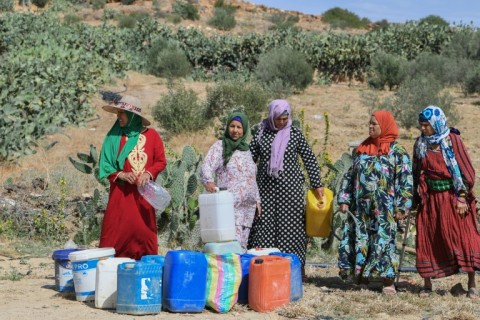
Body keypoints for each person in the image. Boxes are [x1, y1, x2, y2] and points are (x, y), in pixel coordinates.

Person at [337, 110, 413, 295]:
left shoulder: (397, 152)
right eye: (369, 123)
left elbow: (406, 179)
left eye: (374, 124)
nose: (370, 126)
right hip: (360, 207)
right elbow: (349, 175)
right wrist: (344, 199)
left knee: (384, 241)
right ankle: (361, 278)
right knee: (361, 239)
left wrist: (402, 205)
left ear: (384, 126)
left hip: (385, 209)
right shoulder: (362, 149)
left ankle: (388, 281)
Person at [247, 99, 324, 270]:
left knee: (292, 229)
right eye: (278, 119)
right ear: (271, 116)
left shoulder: (295, 134)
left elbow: (309, 159)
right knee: (263, 226)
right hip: (265, 190)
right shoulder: (261, 133)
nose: (282, 122)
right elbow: (248, 159)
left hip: (290, 191)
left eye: (284, 118)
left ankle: (295, 268)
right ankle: (264, 267)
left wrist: (317, 184)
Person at [413, 105, 480, 298]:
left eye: (426, 125)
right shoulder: (420, 144)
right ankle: (427, 284)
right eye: (421, 125)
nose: (423, 128)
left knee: (463, 237)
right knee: (427, 237)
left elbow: (467, 171)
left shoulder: (453, 141)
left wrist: (462, 196)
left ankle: (472, 283)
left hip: (453, 198)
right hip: (431, 199)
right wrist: (416, 198)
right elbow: (416, 171)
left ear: (436, 123)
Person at [98, 95, 167, 260]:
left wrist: (148, 173)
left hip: (144, 196)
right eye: (119, 112)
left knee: (143, 231)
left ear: (133, 117)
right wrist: (121, 174)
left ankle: (145, 265)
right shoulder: (114, 137)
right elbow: (105, 164)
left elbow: (160, 161)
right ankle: (109, 266)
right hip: (121, 195)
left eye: (122, 113)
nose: (118, 116)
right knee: (115, 231)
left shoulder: (152, 136)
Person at [200, 111, 261, 252]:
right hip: (228, 207)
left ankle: (238, 273)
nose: (235, 130)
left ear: (244, 129)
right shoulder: (220, 146)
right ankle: (228, 273)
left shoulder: (246, 150)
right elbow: (207, 165)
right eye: (232, 126)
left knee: (242, 246)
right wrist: (208, 181)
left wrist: (257, 199)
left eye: (239, 127)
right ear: (227, 127)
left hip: (247, 209)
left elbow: (251, 176)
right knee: (229, 245)